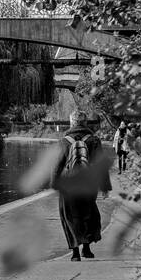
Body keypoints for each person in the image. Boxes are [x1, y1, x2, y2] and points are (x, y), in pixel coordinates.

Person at [50, 110, 113, 261]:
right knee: (87, 214)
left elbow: (57, 165)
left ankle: (75, 253)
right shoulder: (94, 140)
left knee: (69, 217)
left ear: (71, 123)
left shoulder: (64, 141)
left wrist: (54, 183)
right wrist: (105, 187)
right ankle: (87, 249)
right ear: (85, 123)